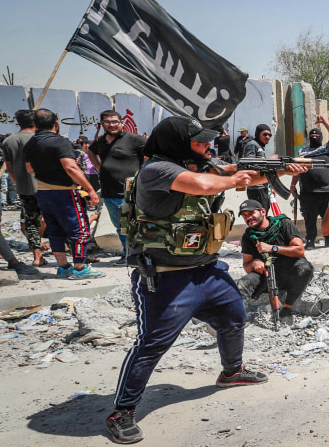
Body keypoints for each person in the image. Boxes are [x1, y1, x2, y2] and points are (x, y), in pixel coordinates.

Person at [106, 116, 306, 444]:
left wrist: (285, 168)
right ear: (177, 143)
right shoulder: (158, 169)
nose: (207, 146)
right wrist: (235, 178)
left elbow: (234, 173)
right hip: (166, 276)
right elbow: (203, 185)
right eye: (199, 141)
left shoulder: (197, 163)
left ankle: (231, 372)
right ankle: (122, 411)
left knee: (234, 315)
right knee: (152, 343)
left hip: (206, 270)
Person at [24, 109, 104, 278]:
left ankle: (63, 267)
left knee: (55, 230)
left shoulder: (30, 143)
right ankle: (80, 268)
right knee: (80, 230)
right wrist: (90, 189)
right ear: (56, 124)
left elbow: (29, 168)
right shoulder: (59, 141)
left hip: (43, 193)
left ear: (35, 125)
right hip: (65, 193)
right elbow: (70, 167)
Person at [236, 199, 313, 325]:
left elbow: (299, 250)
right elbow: (247, 265)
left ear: (263, 212)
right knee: (243, 284)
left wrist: (273, 248)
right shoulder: (248, 236)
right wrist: (254, 263)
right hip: (267, 275)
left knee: (304, 268)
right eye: (245, 216)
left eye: (251, 213)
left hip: (290, 272)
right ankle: (237, 321)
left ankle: (287, 308)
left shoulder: (283, 224)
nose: (248, 218)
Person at [87, 110, 147, 265]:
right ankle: (128, 254)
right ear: (102, 124)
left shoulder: (134, 139)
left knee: (132, 226)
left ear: (122, 123)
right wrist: (99, 167)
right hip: (108, 193)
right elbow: (91, 152)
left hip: (128, 193)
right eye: (108, 122)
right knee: (120, 227)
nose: (112, 125)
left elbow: (149, 156)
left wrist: (143, 175)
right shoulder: (101, 141)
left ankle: (138, 255)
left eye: (115, 122)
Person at [289, 114, 329, 249]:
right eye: (312, 135)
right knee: (309, 217)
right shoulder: (302, 151)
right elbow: (297, 169)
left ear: (322, 138)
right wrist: (293, 184)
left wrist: (324, 122)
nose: (314, 137)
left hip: (327, 190)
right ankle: (310, 241)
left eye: (317, 136)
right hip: (308, 191)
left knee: (328, 216)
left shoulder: (328, 149)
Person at [3, 110, 47, 267]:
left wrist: (19, 183)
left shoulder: (8, 141)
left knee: (30, 222)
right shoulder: (42, 138)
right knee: (56, 218)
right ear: (35, 122)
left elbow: (9, 168)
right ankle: (74, 256)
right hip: (47, 187)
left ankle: (37, 256)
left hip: (24, 188)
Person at [242, 124, 273, 211]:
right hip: (256, 188)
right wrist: (269, 160)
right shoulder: (252, 145)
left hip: (263, 187)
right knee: (259, 216)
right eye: (265, 134)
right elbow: (249, 163)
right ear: (258, 134)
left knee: (263, 214)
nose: (267, 137)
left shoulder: (260, 147)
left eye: (269, 135)